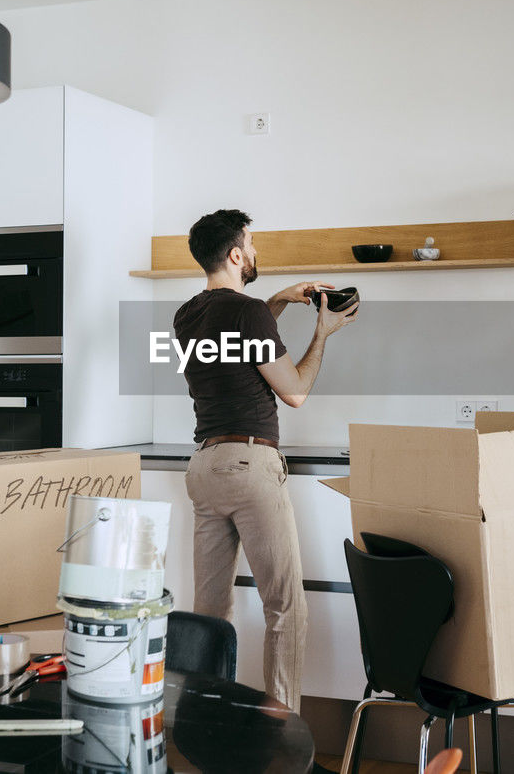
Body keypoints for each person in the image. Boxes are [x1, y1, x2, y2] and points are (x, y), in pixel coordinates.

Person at [173, 208, 358, 712]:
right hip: (249, 467)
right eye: (250, 245)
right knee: (286, 608)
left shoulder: (187, 315)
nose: (254, 253)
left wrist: (276, 300)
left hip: (205, 467)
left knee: (210, 611)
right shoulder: (247, 313)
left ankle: (202, 720)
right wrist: (323, 332)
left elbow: (240, 346)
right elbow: (294, 391)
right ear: (235, 254)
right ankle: (282, 732)